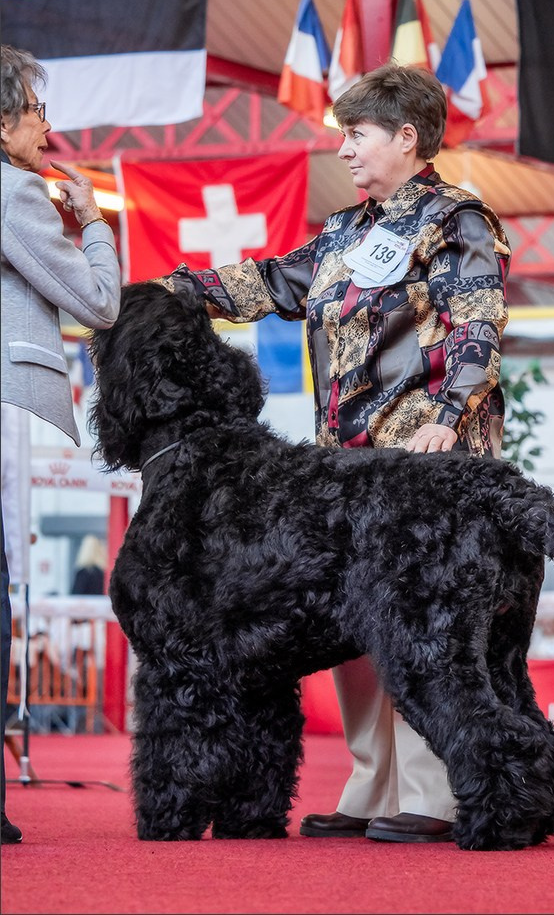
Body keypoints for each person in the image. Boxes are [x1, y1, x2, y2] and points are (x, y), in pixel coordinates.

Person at [155, 62, 511, 843]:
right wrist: (168, 292)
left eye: (357, 134)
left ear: (406, 136)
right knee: (354, 618)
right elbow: (267, 284)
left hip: (426, 465)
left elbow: (478, 327)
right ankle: (372, 781)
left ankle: (434, 788)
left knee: (419, 627)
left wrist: (448, 417)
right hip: (343, 468)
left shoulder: (457, 219)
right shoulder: (348, 231)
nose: (344, 150)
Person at [0, 44, 121, 844]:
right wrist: (96, 226)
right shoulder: (15, 193)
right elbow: (98, 304)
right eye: (37, 109)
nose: (48, 125)